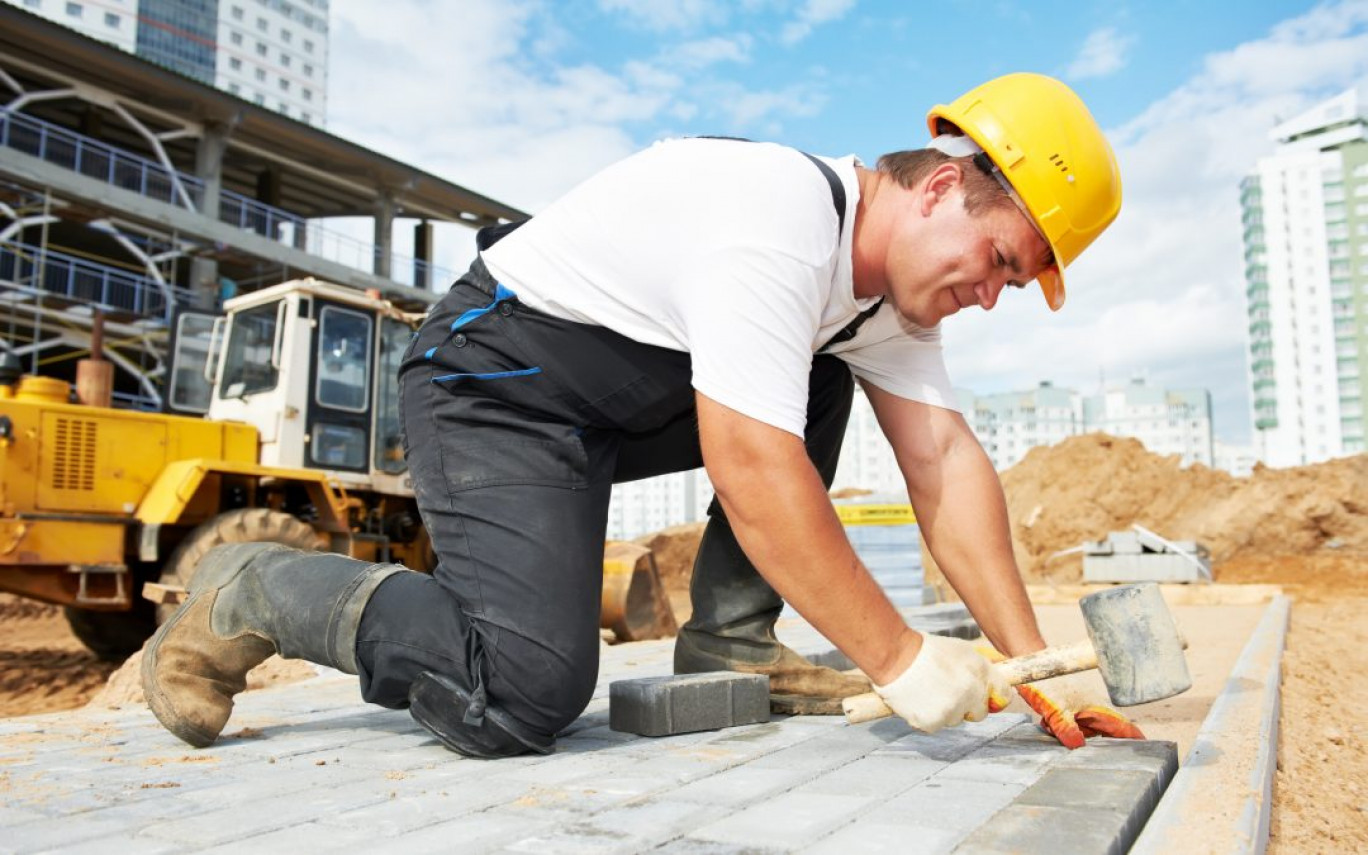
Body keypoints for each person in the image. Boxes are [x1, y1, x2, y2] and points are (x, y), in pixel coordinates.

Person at [143, 72, 1143, 758]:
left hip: (608, 407)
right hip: (491, 386)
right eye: (1003, 263)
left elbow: (945, 464)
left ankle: (733, 641)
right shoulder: (779, 222)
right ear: (938, 188)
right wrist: (899, 656)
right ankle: (256, 587)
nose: (994, 295)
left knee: (823, 371)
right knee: (521, 695)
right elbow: (751, 462)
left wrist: (1034, 667)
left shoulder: (882, 302)